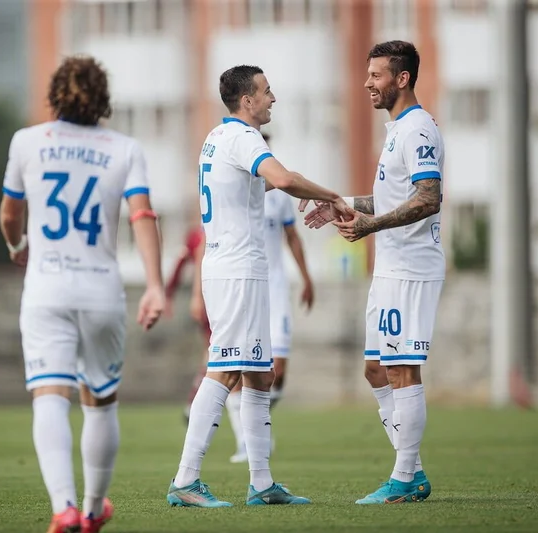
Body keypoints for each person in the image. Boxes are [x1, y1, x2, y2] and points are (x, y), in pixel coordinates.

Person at [165, 64, 350, 508]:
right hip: (236, 270)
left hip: (237, 268)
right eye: (266, 91)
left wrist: (296, 189)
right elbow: (282, 178)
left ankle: (262, 483)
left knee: (259, 375)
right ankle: (185, 480)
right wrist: (331, 196)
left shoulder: (217, 137)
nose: (273, 98)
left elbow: (249, 188)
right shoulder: (244, 137)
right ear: (246, 100)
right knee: (225, 371)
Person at [0, 55, 165, 533]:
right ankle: (92, 510)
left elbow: (9, 215)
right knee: (100, 399)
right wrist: (154, 285)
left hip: (46, 288)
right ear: (103, 99)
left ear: (55, 95)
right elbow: (142, 216)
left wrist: (18, 246)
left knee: (49, 394)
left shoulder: (26, 141)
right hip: (100, 290)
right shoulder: (125, 148)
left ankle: (64, 507)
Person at [303, 40, 444, 504]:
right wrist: (343, 204)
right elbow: (390, 198)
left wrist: (370, 226)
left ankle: (404, 478)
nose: (367, 83)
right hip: (390, 268)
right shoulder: (397, 130)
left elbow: (428, 198)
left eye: (376, 75)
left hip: (411, 268)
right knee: (375, 370)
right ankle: (413, 471)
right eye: (368, 74)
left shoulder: (418, 129)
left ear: (402, 79)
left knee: (401, 368)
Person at [226, 133, 316, 463]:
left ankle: (255, 425)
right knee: (237, 368)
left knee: (277, 371)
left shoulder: (277, 193)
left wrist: (306, 277)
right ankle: (246, 441)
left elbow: (292, 236)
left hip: (275, 289)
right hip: (244, 286)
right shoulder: (232, 187)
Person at [163, 213, 209, 423]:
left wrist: (168, 294)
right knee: (216, 354)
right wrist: (168, 295)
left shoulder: (197, 234)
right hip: (214, 301)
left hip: (221, 299)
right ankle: (195, 404)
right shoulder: (201, 235)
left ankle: (195, 404)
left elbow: (180, 263)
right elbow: (182, 262)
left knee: (215, 355)